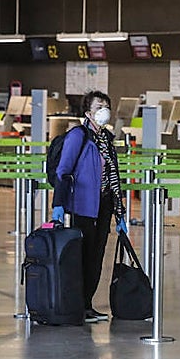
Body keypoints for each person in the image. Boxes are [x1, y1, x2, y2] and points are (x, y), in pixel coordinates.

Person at [51, 90, 127, 323]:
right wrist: (59, 205)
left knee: (96, 256)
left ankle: (87, 304)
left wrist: (119, 212)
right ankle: (77, 305)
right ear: (87, 112)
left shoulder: (107, 139)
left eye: (106, 106)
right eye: (98, 107)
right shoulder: (78, 136)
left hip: (103, 205)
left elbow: (113, 176)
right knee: (81, 256)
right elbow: (63, 171)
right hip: (82, 206)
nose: (103, 110)